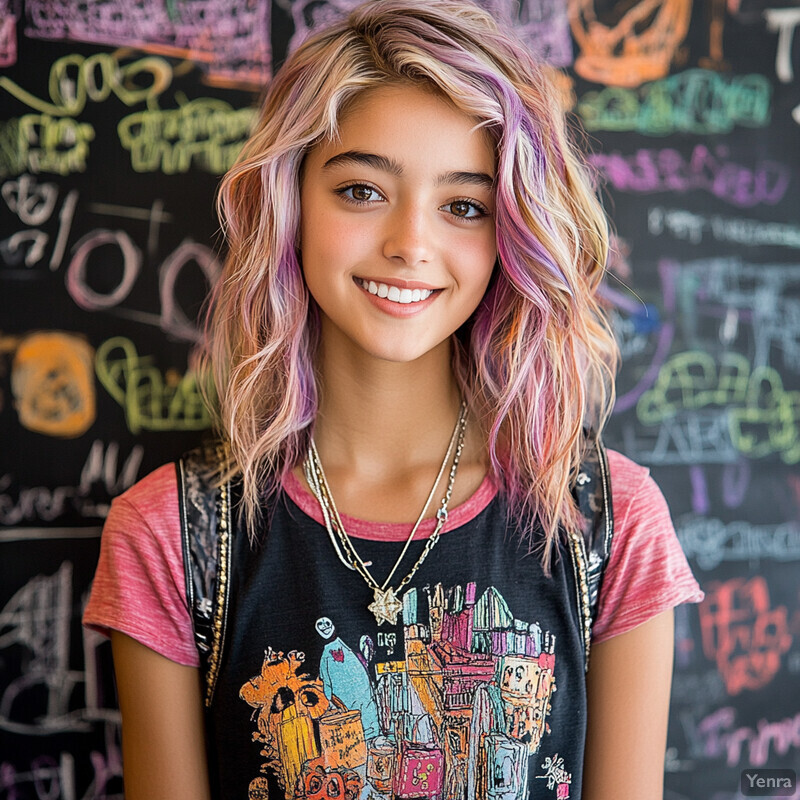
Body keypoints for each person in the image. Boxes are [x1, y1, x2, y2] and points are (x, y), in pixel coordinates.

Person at [84, 1, 704, 798]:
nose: (411, 242)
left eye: (464, 206)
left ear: (509, 233)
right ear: (291, 202)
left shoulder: (608, 520)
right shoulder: (170, 536)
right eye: (362, 190)